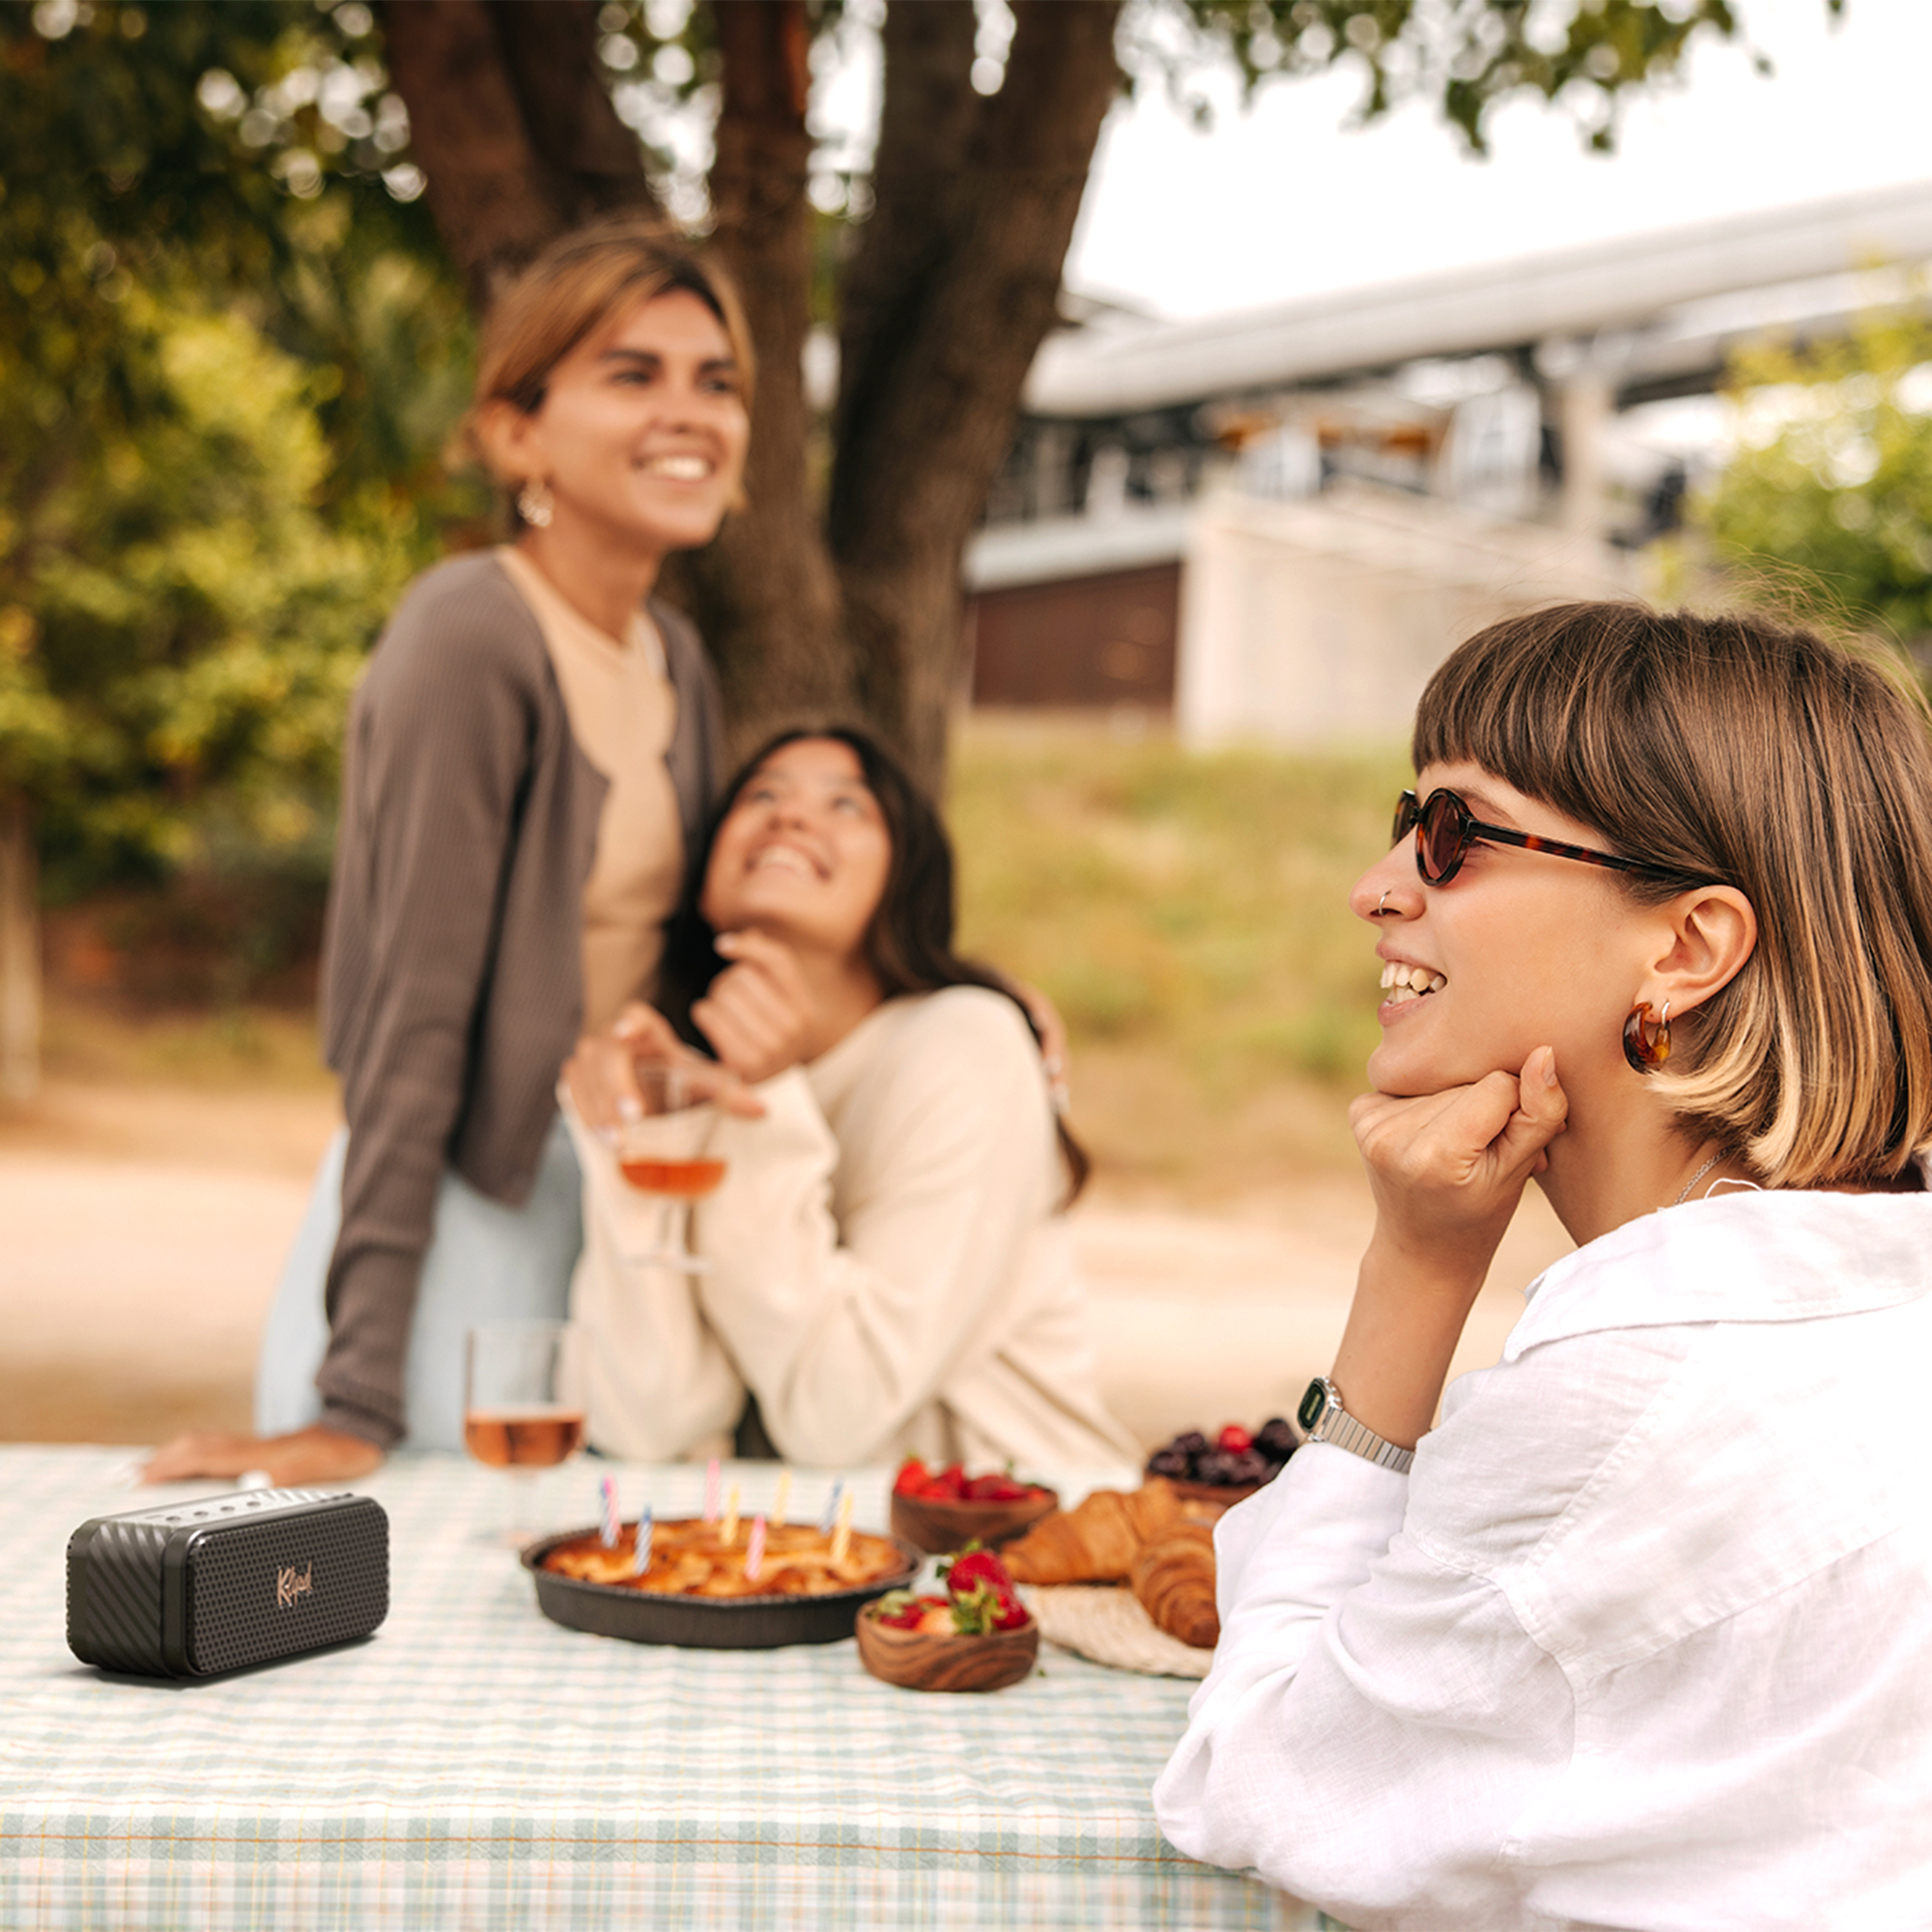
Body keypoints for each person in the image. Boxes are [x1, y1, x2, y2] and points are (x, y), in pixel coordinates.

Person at [1153, 602, 1932, 1928]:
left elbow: (1264, 1778)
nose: (1380, 885)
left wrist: (1413, 1272)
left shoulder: (1636, 1399)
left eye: (1455, 834)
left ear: (1687, 949)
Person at [144, 220, 753, 1486]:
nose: (688, 411)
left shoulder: (673, 660)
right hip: (453, 1223)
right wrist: (353, 1395)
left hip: (604, 1212)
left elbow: (707, 952)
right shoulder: (472, 636)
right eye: (631, 374)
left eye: (718, 380)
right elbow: (412, 1020)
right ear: (515, 433)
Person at [561, 726, 1139, 1471]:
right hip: (812, 1555)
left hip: (1019, 1546)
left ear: (907, 877)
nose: (792, 817)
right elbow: (653, 1423)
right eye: (762, 794)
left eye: (847, 805)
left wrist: (765, 1108)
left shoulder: (968, 1045)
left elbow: (838, 1416)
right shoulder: (696, 1075)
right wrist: (640, 1139)